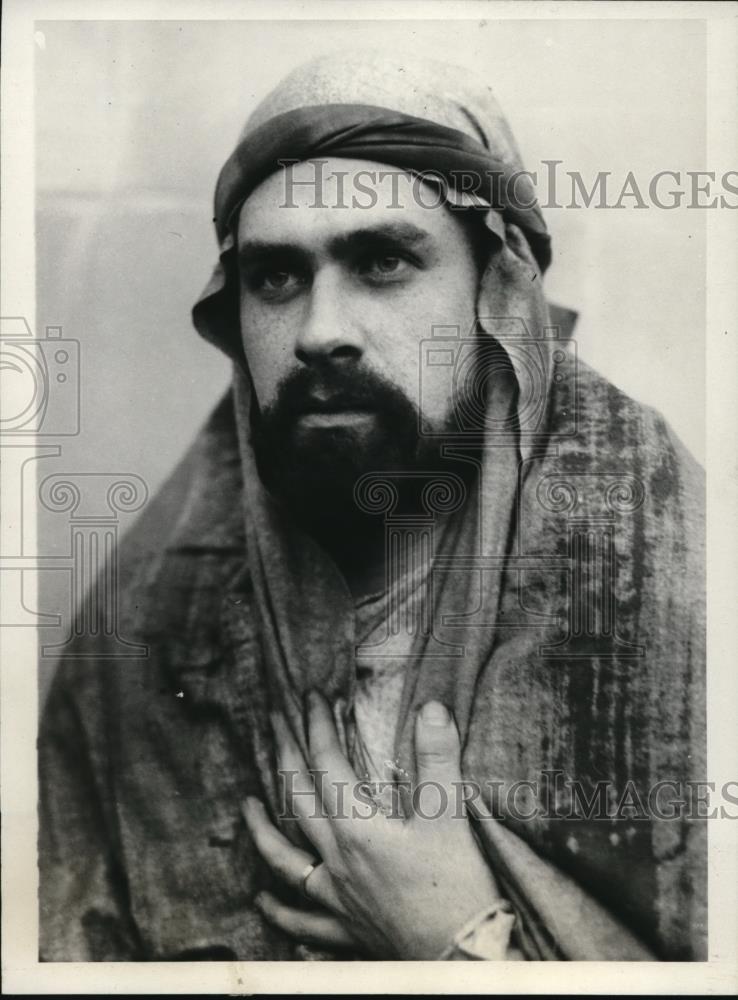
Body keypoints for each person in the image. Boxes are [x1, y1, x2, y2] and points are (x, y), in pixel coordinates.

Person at [38, 50, 706, 962]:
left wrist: (455, 942)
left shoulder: (677, 574)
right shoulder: (150, 619)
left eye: (383, 261)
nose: (319, 331)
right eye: (276, 277)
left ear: (496, 294)